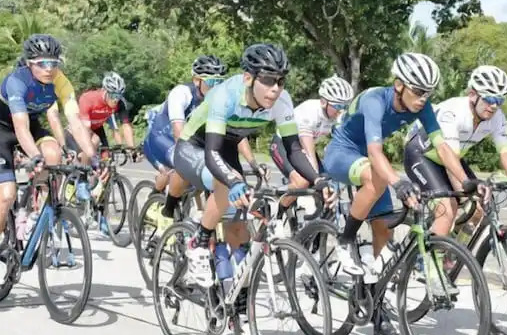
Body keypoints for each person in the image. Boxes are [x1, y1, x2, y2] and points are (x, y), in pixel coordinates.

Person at [321, 52, 471, 335]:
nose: (424, 98)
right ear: (399, 85)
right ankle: (346, 238)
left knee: (383, 231)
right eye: (418, 91)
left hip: (370, 163)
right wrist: (398, 183)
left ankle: (373, 302)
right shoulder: (375, 100)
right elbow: (375, 151)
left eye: (428, 92)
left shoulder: (421, 106)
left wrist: (466, 181)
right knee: (378, 176)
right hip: (342, 153)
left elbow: (442, 147)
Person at [171, 43, 328, 293]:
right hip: (194, 147)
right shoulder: (225, 95)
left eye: (280, 81)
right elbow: (212, 153)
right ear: (248, 78)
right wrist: (233, 181)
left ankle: (237, 298)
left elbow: (294, 150)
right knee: (228, 183)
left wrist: (318, 180)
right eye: (267, 80)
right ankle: (198, 242)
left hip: (227, 148)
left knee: (238, 227)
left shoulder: (282, 101)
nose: (275, 89)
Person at [0, 34, 97, 285]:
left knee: (54, 154)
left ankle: (36, 211)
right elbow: (20, 127)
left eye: (54, 63)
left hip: (31, 127)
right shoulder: (17, 81)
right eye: (42, 63)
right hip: (0, 131)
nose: (49, 69)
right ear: (29, 63)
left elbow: (75, 122)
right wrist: (34, 156)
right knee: (5, 195)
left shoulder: (60, 82)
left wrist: (92, 157)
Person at [404, 65, 507, 242]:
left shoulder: (497, 117)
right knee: (447, 210)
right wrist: (467, 188)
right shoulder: (453, 112)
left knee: (478, 209)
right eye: (489, 98)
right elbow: (449, 157)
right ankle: (432, 256)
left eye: (499, 100)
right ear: (472, 94)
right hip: (421, 154)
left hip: (452, 158)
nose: (494, 106)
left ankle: (453, 250)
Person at [143, 55, 228, 193]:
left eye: (220, 82)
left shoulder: (217, 100)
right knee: (191, 167)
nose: (216, 87)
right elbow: (179, 133)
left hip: (184, 139)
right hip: (161, 138)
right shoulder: (182, 93)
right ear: (197, 80)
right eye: (212, 81)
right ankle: (158, 201)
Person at [269, 75, 353, 210]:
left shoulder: (336, 117)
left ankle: (317, 220)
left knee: (329, 184)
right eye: (338, 105)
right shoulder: (310, 111)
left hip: (302, 148)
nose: (341, 110)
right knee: (303, 182)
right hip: (284, 145)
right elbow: (308, 149)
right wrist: (315, 178)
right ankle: (276, 208)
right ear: (323, 102)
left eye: (345, 106)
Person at [65, 71, 137, 158]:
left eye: (119, 96)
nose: (116, 100)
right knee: (86, 156)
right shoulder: (89, 98)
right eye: (113, 95)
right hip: (78, 129)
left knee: (106, 158)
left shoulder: (120, 103)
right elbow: (85, 127)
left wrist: (132, 150)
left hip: (97, 128)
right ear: (105, 91)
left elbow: (126, 126)